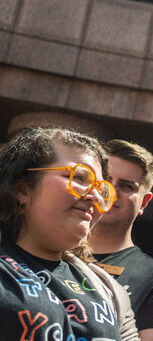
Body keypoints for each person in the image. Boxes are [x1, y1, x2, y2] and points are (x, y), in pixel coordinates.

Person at [0, 127, 139, 340]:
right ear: (22, 190)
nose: (95, 197)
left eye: (101, 189)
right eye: (79, 178)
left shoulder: (108, 289)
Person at [90, 140, 153, 341]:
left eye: (126, 186)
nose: (111, 191)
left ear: (144, 202)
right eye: (106, 179)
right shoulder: (52, 249)